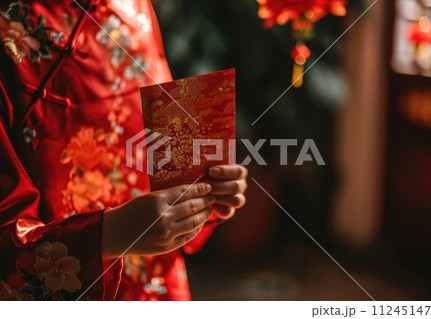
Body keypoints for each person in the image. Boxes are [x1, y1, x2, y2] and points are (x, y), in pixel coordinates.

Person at [0, 0, 247, 301]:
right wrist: (110, 234)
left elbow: (165, 150)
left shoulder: (136, 6)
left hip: (157, 283)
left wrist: (204, 192)